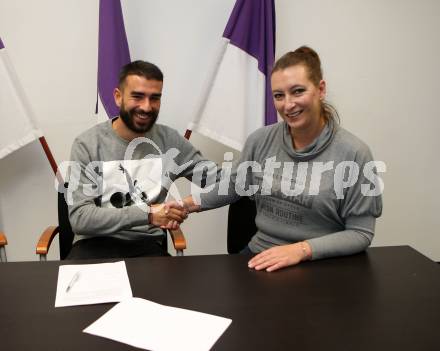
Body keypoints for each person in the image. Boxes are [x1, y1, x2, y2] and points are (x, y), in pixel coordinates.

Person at [178, 46, 383, 272]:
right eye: (279, 96)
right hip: (260, 256)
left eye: (297, 91)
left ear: (321, 89)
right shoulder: (260, 140)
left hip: (320, 265)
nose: (288, 104)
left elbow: (361, 233)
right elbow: (235, 186)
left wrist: (300, 250)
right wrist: (184, 205)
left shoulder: (354, 153)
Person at [66, 60, 213, 259]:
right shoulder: (87, 144)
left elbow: (222, 182)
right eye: (137, 96)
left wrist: (185, 205)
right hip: (92, 246)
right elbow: (80, 218)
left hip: (147, 245)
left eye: (155, 98)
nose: (146, 107)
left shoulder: (170, 141)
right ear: (118, 97)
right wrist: (148, 214)